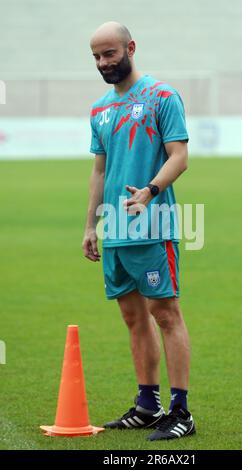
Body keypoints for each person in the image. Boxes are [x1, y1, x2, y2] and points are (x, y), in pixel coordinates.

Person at [82, 21, 195, 441]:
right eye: (96, 56)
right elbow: (99, 170)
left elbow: (179, 156)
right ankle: (148, 405)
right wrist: (90, 225)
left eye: (109, 53)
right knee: (132, 317)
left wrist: (150, 191)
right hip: (114, 231)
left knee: (165, 313)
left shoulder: (162, 96)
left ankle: (181, 412)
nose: (102, 63)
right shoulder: (99, 109)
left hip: (152, 224)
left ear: (130, 47)